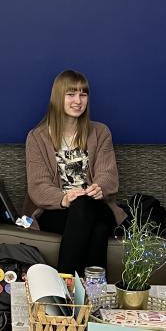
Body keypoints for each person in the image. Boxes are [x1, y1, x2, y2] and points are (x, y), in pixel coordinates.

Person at [23, 70, 126, 276]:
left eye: (83, 94)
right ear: (58, 97)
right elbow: (38, 185)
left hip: (96, 205)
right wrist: (65, 198)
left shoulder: (100, 132)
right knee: (97, 229)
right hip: (55, 211)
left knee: (86, 203)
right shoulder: (37, 137)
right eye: (71, 94)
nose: (78, 101)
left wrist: (99, 188)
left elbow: (108, 174)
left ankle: (64, 289)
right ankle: (94, 296)